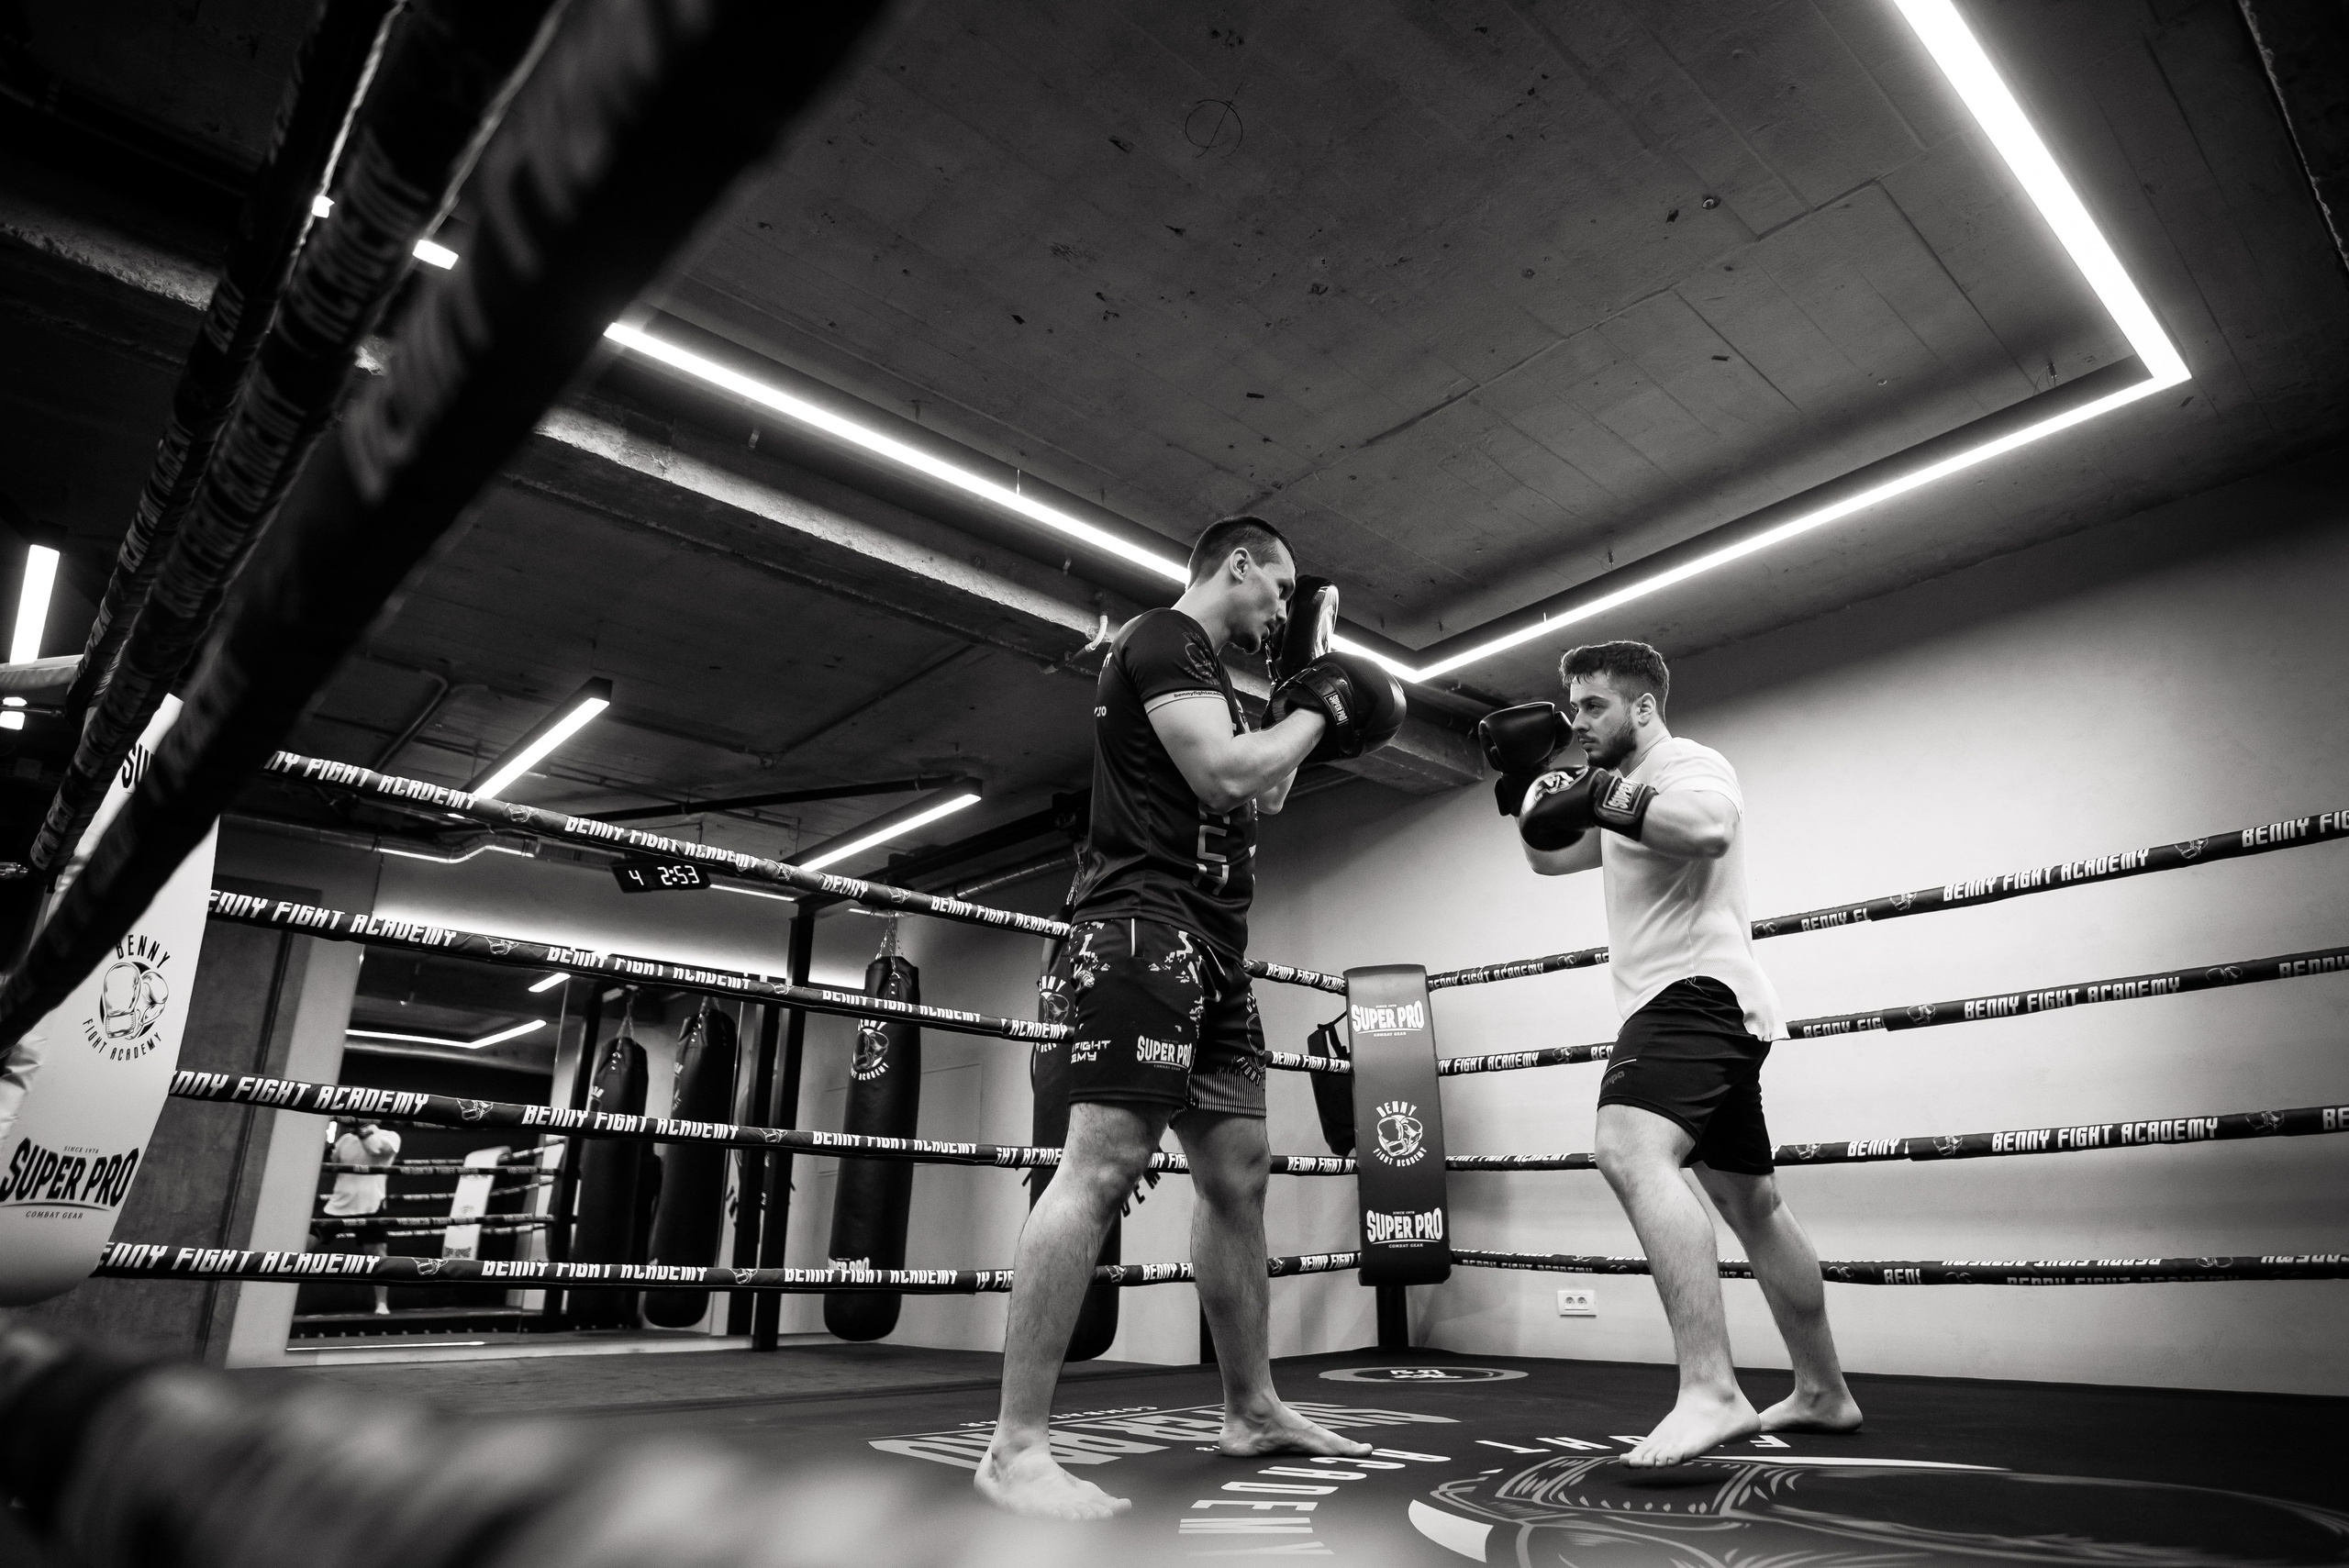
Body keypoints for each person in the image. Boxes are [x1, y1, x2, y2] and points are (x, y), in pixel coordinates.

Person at [976, 516, 1404, 1520]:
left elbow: (1274, 789)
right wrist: (1321, 710)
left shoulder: (1218, 678)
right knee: (1101, 1162)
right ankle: (1015, 1445)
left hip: (1215, 946)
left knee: (1238, 1174)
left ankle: (1250, 1406)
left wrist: (1304, 693)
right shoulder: (1163, 638)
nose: (1279, 608)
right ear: (1238, 563)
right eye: (1276, 586)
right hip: (1139, 927)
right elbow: (1222, 774)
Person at [1483, 640, 1861, 1467]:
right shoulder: (1620, 797)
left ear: (1643, 707)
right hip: (1713, 1005)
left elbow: (1711, 828)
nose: (1577, 722)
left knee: (1627, 1147)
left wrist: (1593, 791)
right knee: (1752, 1203)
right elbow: (1550, 855)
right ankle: (1824, 1389)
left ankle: (1711, 1389)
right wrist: (1521, 790)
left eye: (1593, 706)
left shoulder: (1687, 761)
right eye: (1572, 707)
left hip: (1693, 994)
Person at [322, 1118, 402, 1315]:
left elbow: (375, 1150)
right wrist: (324, 1140)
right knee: (300, 1245)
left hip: (370, 1205)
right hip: (338, 1205)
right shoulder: (345, 1140)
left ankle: (382, 1304)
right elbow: (327, 1164)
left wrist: (362, 1129)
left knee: (378, 1257)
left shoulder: (390, 1137)